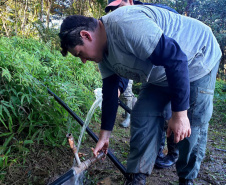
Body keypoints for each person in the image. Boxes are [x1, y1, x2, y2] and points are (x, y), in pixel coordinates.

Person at [59, 5, 222, 185]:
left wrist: (180, 114)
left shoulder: (126, 25)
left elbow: (176, 58)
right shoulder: (103, 54)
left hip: (197, 58)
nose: (83, 60)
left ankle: (186, 178)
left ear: (86, 35)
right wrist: (104, 136)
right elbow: (111, 91)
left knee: (192, 123)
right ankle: (137, 176)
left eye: (80, 53)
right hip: (161, 72)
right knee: (143, 114)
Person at [106, 0, 179, 169]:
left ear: (130, 2)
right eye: (113, 10)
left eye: (120, 7)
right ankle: (157, 151)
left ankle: (174, 153)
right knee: (148, 113)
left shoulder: (155, 12)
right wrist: (117, 88)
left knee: (170, 113)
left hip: (173, 70)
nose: (117, 13)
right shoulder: (119, 32)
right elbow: (125, 66)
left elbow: (174, 48)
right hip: (151, 77)